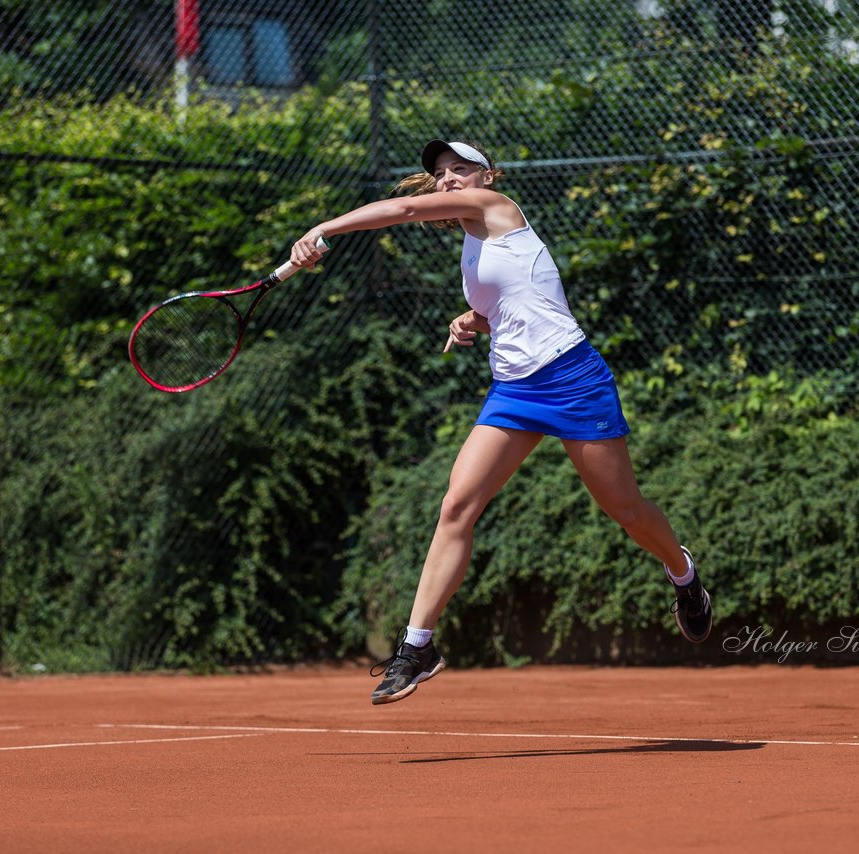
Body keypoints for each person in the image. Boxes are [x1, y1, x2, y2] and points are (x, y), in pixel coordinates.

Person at [291, 139, 712, 705]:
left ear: (487, 175)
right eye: (440, 174)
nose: (447, 180)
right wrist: (474, 322)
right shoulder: (474, 243)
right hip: (514, 389)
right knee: (457, 505)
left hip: (571, 377)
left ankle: (684, 574)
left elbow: (405, 210)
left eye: (460, 169)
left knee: (627, 511)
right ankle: (418, 647)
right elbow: (519, 304)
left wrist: (324, 228)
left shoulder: (498, 207)